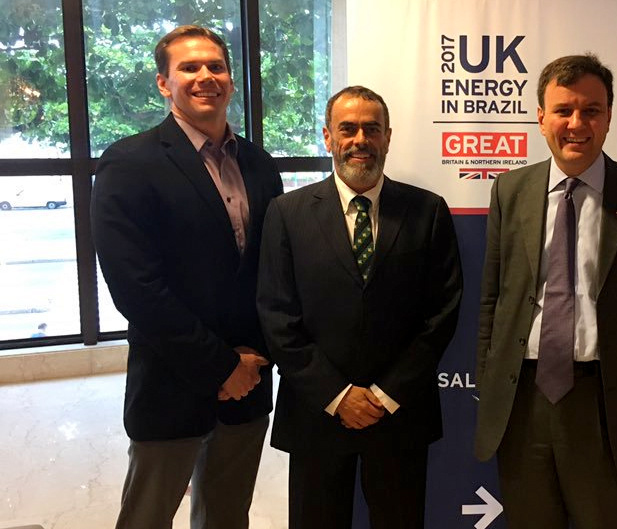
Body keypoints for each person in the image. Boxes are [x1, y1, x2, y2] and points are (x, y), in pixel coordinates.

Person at [473, 54, 617, 529]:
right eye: (564, 110)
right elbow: (493, 299)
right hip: (522, 402)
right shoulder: (510, 190)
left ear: (608, 117)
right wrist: (489, 392)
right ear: (540, 117)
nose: (577, 123)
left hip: (607, 405)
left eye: (591, 110)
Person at [92, 25, 283, 529]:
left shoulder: (261, 167)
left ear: (231, 80)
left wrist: (250, 361)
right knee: (146, 519)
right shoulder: (129, 163)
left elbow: (273, 273)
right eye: (189, 68)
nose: (205, 77)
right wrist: (221, 366)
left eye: (216, 67)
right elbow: (136, 289)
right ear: (163, 83)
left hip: (249, 385)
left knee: (227, 519)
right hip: (172, 384)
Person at [257, 86, 463, 528]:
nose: (360, 140)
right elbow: (277, 315)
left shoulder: (427, 211)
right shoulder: (287, 213)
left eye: (372, 129)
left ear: (388, 137)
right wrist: (337, 396)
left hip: (399, 413)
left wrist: (384, 395)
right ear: (328, 137)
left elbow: (442, 311)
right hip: (317, 412)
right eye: (347, 129)